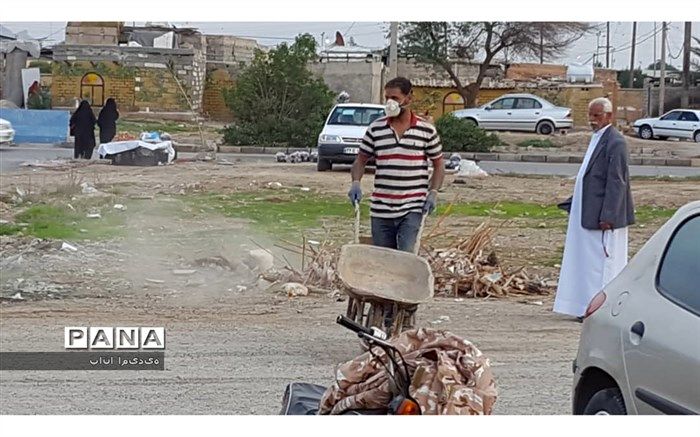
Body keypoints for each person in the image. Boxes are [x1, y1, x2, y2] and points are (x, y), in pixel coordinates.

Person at [553, 97, 635, 321]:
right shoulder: (597, 138)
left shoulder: (616, 142)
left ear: (609, 116)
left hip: (602, 217)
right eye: (590, 115)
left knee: (599, 264)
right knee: (585, 262)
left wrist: (608, 215)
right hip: (586, 212)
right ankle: (582, 306)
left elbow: (617, 182)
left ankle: (598, 310)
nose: (592, 120)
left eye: (596, 116)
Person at [348, 77, 445, 253]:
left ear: (409, 99)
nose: (390, 103)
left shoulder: (425, 131)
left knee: (405, 257)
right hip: (381, 209)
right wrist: (356, 182)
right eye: (387, 98)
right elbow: (360, 160)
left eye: (395, 98)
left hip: (412, 207)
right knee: (383, 260)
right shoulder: (376, 129)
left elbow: (439, 164)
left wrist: (433, 192)